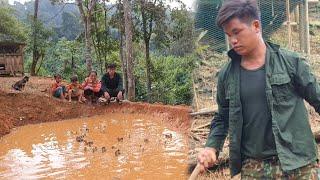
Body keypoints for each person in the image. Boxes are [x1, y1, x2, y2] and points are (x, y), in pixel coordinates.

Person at [197, 0, 320, 179]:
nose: (233, 40)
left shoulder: (291, 63)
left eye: (236, 32)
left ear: (256, 26)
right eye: (228, 35)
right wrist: (211, 146)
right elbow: (223, 117)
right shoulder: (226, 75)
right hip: (255, 168)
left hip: (299, 164)